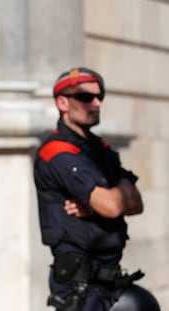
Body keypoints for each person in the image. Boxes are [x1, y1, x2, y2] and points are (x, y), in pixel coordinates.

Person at [33, 67, 160, 310]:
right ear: (62, 103)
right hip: (80, 286)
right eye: (85, 97)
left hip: (110, 280)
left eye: (99, 96)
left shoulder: (99, 150)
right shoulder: (57, 152)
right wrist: (110, 198)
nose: (96, 103)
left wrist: (96, 206)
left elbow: (136, 202)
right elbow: (113, 206)